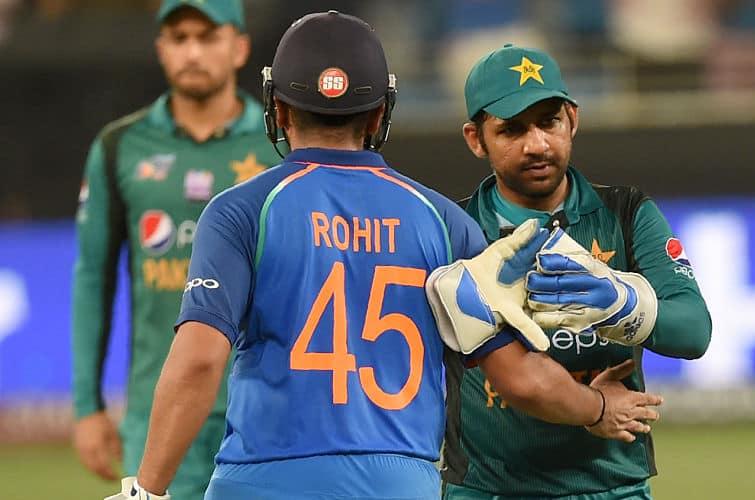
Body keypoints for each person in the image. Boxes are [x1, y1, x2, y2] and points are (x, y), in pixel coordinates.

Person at [103, 12, 663, 500]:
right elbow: (519, 378)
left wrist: (147, 490)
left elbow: (200, 360)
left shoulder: (240, 211)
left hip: (263, 481)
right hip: (400, 484)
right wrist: (597, 409)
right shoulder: (446, 222)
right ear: (378, 115)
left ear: (277, 107)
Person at [442, 43, 713, 499]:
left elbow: (694, 332)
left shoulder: (625, 213)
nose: (537, 145)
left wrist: (621, 304)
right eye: (511, 130)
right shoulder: (453, 229)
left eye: (548, 122)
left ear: (572, 119)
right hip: (488, 490)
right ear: (476, 138)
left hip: (612, 487)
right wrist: (594, 406)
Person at [71, 1, 275, 499]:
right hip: (158, 408)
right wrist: (86, 406)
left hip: (264, 406)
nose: (192, 51)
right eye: (179, 38)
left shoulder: (280, 145)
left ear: (240, 47)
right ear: (161, 49)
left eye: (208, 36)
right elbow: (94, 276)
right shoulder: (120, 146)